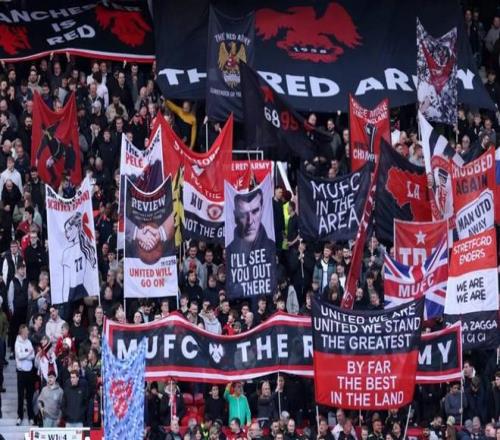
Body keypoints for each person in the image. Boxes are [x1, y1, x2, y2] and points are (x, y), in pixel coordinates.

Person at [61, 211, 98, 302]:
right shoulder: (87, 247)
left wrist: (64, 301)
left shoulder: (69, 252)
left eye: (69, 229)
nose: (67, 233)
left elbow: (66, 282)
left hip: (75, 290)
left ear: (77, 227)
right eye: (66, 231)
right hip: (84, 290)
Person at [15, 324, 35, 425]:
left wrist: (26, 355)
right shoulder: (17, 342)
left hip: (29, 372)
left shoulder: (29, 342)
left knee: (30, 395)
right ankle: (20, 416)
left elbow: (33, 355)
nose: (28, 332)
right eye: (27, 331)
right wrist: (28, 354)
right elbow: (20, 356)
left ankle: (31, 416)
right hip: (21, 372)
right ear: (22, 332)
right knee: (20, 395)